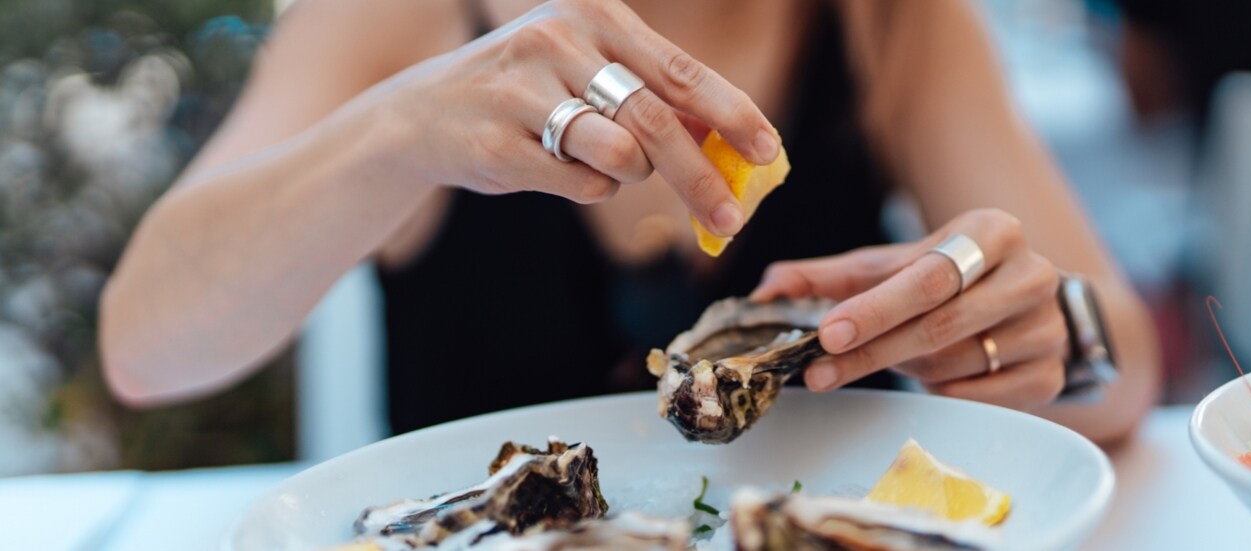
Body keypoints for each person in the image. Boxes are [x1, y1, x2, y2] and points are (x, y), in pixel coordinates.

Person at [99, 0, 1161, 444]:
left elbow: (1126, 362)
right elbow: (143, 345)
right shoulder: (397, 13)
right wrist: (395, 133)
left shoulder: (888, 19)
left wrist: (1053, 338)